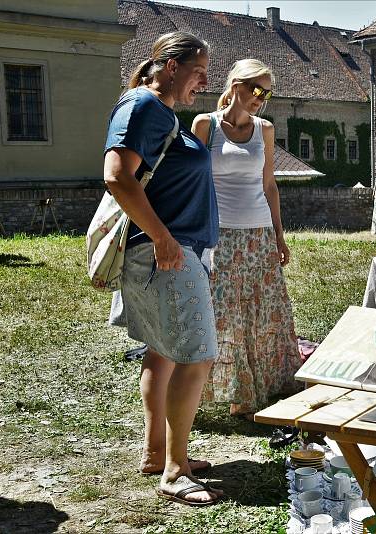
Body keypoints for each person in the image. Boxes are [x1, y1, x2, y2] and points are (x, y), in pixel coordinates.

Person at [103, 31, 223, 506]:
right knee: (198, 355)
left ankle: (159, 453)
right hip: (166, 253)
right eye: (200, 71)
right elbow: (117, 176)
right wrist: (164, 238)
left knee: (162, 352)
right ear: (171, 65)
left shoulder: (155, 110)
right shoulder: (145, 107)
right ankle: (175, 470)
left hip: (168, 250)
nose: (204, 82)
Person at [192, 59, 303, 422]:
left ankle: (267, 385)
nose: (261, 99)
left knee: (263, 312)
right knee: (225, 315)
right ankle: (234, 392)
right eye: (257, 90)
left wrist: (279, 235)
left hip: (258, 234)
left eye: (267, 93)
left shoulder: (265, 130)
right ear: (236, 86)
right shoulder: (205, 126)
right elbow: (194, 183)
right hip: (219, 235)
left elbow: (269, 185)